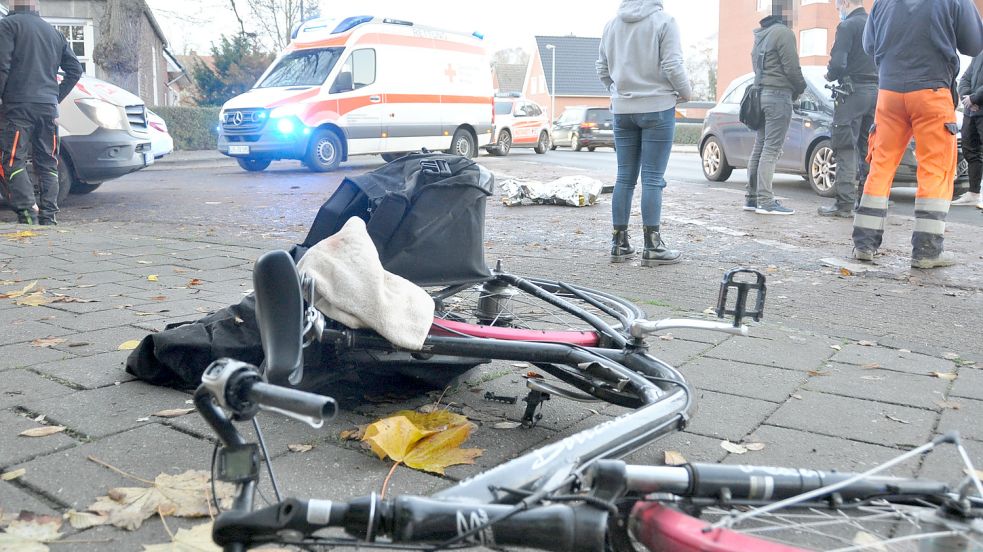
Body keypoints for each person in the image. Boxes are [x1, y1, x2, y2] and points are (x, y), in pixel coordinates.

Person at [853, 0, 983, 269]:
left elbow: (869, 46)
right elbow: (974, 44)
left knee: (881, 166)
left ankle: (864, 245)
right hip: (931, 92)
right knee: (935, 169)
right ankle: (927, 251)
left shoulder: (883, 2)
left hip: (889, 93)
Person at [597, 0, 691, 266]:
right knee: (652, 178)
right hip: (658, 106)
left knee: (624, 178)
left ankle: (619, 243)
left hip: (622, 110)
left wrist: (619, 93)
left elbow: (602, 69)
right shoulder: (665, 22)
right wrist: (685, 93)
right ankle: (652, 246)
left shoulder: (611, 25)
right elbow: (672, 65)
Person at [0, 0, 82, 226]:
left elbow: (2, 67)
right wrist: (55, 96)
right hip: (47, 107)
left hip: (18, 107)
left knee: (12, 161)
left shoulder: (7, 26)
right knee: (47, 162)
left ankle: (27, 214)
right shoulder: (53, 33)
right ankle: (49, 217)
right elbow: (75, 70)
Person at [746, 0, 806, 216]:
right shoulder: (784, 33)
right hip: (778, 96)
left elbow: (755, 64)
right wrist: (801, 88)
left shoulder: (762, 34)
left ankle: (752, 198)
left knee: (760, 146)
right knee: (770, 149)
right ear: (787, 10)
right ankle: (765, 200)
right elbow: (792, 68)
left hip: (760, 94)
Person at [817, 0, 878, 218]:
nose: (838, 11)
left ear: (845, 3)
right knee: (867, 148)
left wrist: (830, 75)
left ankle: (844, 204)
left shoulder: (847, 26)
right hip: (875, 92)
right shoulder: (875, 23)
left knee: (844, 146)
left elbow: (838, 64)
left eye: (837, 7)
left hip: (852, 92)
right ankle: (867, 202)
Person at [955, 51, 983, 209]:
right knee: (970, 151)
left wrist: (974, 98)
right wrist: (968, 98)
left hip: (979, 107)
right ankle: (973, 193)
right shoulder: (978, 53)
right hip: (971, 112)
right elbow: (965, 78)